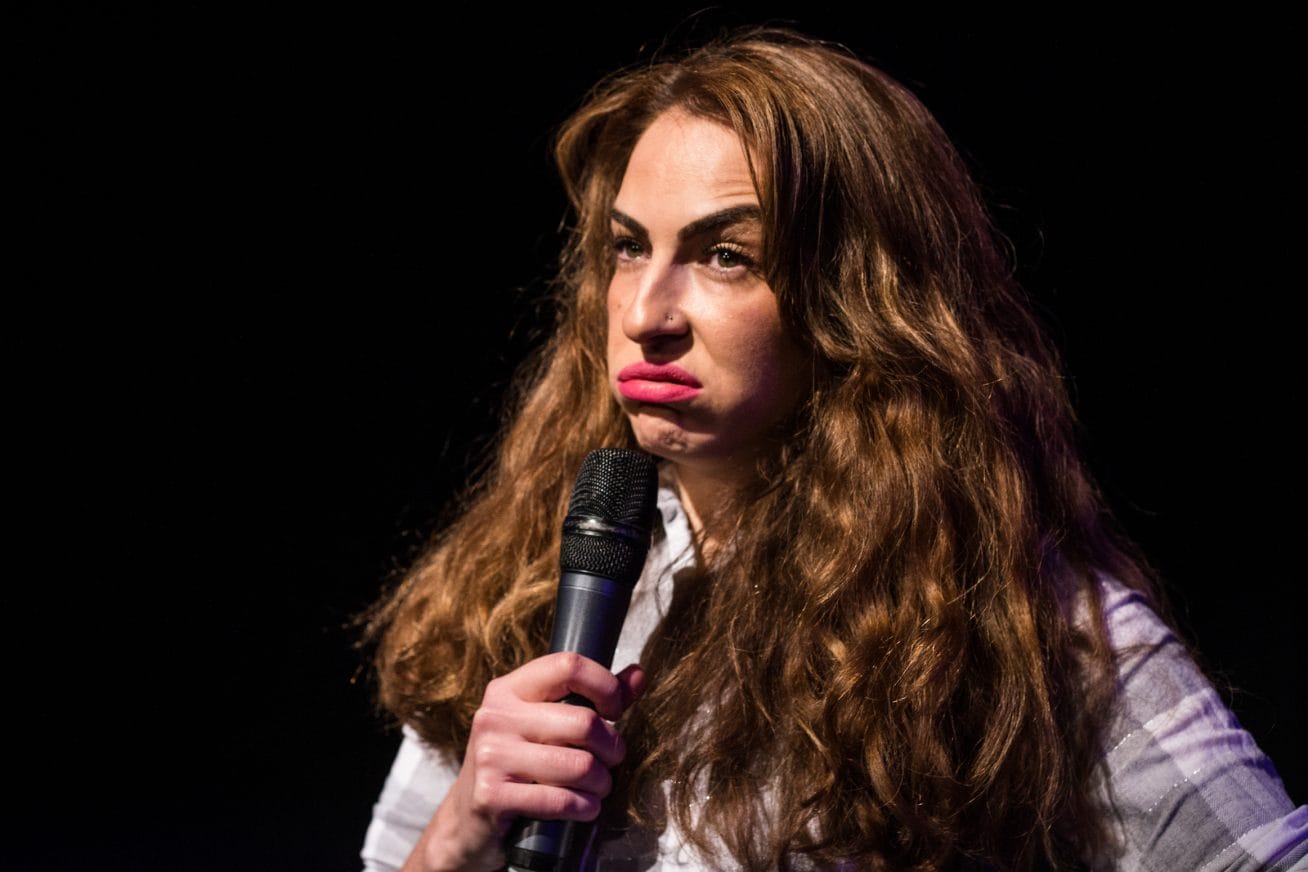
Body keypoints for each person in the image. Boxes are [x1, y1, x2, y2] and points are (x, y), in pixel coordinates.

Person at [358, 26, 1307, 871]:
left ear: (858, 301)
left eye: (727, 255)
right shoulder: (526, 584)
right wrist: (457, 837)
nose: (647, 314)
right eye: (628, 247)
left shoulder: (1025, 635)